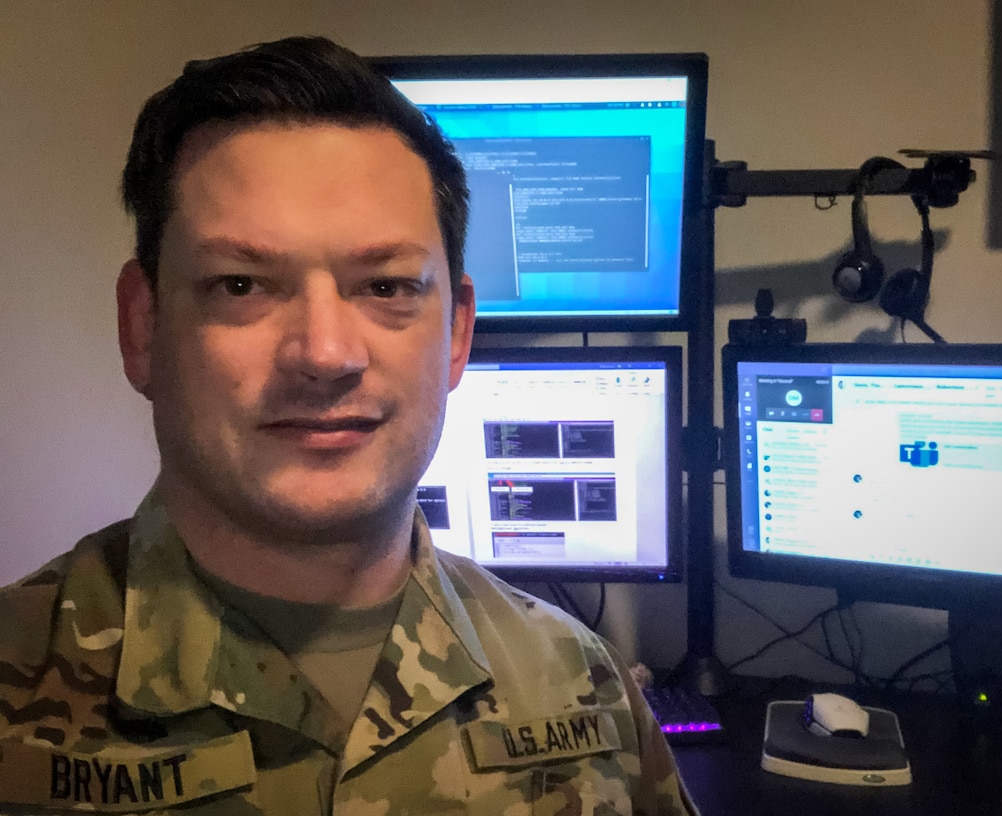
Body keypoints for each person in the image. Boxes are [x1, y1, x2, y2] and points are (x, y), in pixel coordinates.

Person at [0, 36, 698, 815]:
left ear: (458, 334)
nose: (326, 355)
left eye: (388, 285)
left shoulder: (586, 689)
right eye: (241, 285)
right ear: (143, 327)